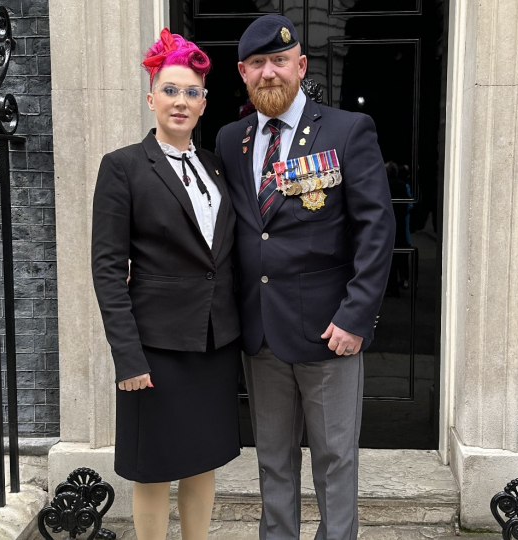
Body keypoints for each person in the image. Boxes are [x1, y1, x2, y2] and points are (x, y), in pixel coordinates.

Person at [215, 14, 394, 540]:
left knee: (335, 460)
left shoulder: (345, 130)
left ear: (300, 66)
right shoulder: (231, 140)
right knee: (272, 460)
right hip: (261, 332)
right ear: (243, 73)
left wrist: (355, 316)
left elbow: (376, 231)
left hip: (329, 332)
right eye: (257, 64)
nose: (268, 73)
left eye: (278, 62)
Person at [91, 28, 241, 540]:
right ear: (152, 97)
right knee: (153, 468)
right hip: (154, 347)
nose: (181, 101)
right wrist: (127, 358)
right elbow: (108, 270)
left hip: (214, 343)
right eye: (171, 90)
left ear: (204, 103)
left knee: (203, 461)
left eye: (192, 92)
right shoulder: (123, 168)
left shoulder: (219, 168)